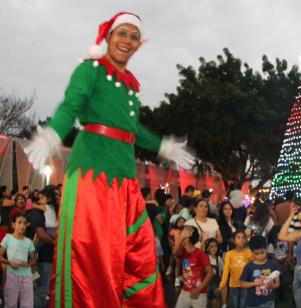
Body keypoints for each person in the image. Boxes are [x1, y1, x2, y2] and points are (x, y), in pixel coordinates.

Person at [23, 12, 194, 307]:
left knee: (134, 255)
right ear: (108, 36)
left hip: (125, 178)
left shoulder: (129, 85)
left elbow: (133, 130)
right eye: (122, 33)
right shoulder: (90, 70)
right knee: (92, 258)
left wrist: (162, 146)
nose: (127, 40)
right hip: (93, 173)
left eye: (134, 36)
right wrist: (53, 135)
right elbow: (70, 107)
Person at [0, 213, 36, 308]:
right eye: (19, 222)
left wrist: (28, 263)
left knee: (27, 304)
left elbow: (34, 260)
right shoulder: (7, 239)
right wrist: (9, 262)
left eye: (24, 223)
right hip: (12, 274)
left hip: (27, 276)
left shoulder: (28, 242)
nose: (22, 226)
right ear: (13, 224)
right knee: (10, 303)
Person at [173, 225, 214, 308]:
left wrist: (198, 290)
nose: (180, 236)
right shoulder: (182, 252)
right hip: (185, 292)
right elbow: (174, 252)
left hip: (200, 294)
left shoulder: (200, 254)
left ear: (188, 237)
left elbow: (210, 273)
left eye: (182, 234)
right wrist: (181, 239)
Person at [240, 235, 281, 308]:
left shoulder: (273, 264)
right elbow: (242, 284)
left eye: (262, 252)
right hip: (252, 303)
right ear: (251, 252)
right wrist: (255, 283)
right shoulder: (249, 266)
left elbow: (277, 283)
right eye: (256, 254)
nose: (260, 256)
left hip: (269, 302)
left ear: (266, 249)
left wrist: (272, 286)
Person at [218, 230, 253, 308]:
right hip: (233, 284)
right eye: (238, 237)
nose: (241, 239)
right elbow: (226, 269)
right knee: (234, 305)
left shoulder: (250, 252)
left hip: (245, 284)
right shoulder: (229, 254)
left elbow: (253, 267)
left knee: (243, 305)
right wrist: (223, 283)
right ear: (233, 240)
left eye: (243, 237)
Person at [205, 238, 223, 308]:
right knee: (205, 302)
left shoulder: (219, 259)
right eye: (211, 246)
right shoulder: (205, 258)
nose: (214, 248)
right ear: (207, 248)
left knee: (215, 302)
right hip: (206, 284)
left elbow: (222, 272)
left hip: (216, 284)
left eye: (215, 246)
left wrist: (221, 283)